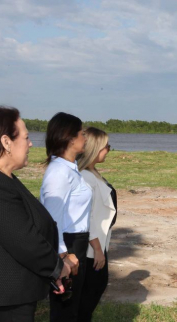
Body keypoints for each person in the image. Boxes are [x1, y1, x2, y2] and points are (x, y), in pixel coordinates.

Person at [0, 106, 71, 322]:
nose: (30, 144)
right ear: (6, 142)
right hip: (5, 299)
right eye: (26, 137)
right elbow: (24, 240)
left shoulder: (0, 179)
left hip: (11, 296)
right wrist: (58, 268)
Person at [40, 112, 92, 322]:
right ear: (70, 138)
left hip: (76, 243)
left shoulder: (69, 169)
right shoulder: (59, 172)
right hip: (68, 245)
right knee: (65, 311)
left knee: (74, 308)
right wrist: (63, 257)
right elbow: (52, 220)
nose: (85, 137)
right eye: (81, 133)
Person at [76, 127, 117, 321]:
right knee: (88, 295)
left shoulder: (92, 172)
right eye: (106, 146)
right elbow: (86, 216)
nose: (109, 149)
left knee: (94, 292)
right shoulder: (84, 177)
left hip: (99, 245)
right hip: (92, 250)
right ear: (95, 148)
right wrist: (98, 249)